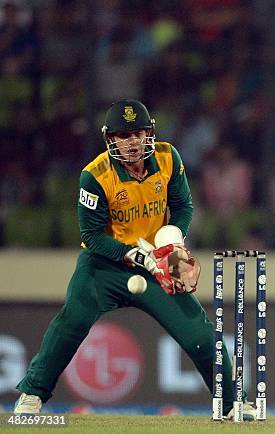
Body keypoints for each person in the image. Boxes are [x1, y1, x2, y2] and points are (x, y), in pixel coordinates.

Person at [14, 99, 255, 420]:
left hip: (157, 262)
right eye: (124, 136)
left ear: (148, 134)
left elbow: (183, 207)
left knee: (198, 333)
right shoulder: (95, 176)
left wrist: (174, 241)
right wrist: (131, 253)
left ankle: (232, 404)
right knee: (71, 323)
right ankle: (32, 394)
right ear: (110, 140)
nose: (132, 142)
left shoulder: (168, 158)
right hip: (104, 266)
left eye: (138, 134)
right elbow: (92, 236)